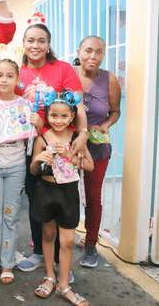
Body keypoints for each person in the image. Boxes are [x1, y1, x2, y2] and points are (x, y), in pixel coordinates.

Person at [17, 15, 88, 276]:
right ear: (23, 43)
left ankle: (62, 259)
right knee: (37, 199)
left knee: (63, 201)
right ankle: (39, 253)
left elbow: (78, 105)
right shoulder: (19, 71)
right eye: (30, 40)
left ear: (48, 45)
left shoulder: (63, 69)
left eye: (41, 41)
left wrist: (83, 134)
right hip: (30, 147)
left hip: (61, 148)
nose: (35, 45)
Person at [0, 59, 42, 287]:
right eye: (0, 75)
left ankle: (7, 264)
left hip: (16, 166)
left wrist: (38, 121)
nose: (4, 80)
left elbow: (34, 133)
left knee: (10, 216)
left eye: (9, 76)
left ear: (17, 80)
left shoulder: (24, 105)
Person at [30, 90, 93, 306]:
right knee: (48, 235)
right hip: (46, 192)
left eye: (63, 116)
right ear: (47, 115)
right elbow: (32, 170)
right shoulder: (42, 138)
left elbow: (90, 166)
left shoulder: (77, 139)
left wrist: (71, 155)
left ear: (72, 117)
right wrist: (38, 159)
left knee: (67, 241)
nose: (58, 120)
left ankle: (64, 285)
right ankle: (50, 277)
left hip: (68, 193)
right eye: (53, 115)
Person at [75, 36, 121, 268]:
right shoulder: (68, 75)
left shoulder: (109, 79)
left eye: (98, 52)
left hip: (98, 146)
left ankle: (91, 244)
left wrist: (106, 124)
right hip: (71, 146)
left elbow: (115, 111)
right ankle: (59, 237)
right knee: (67, 194)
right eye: (88, 51)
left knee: (93, 197)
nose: (93, 56)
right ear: (79, 51)